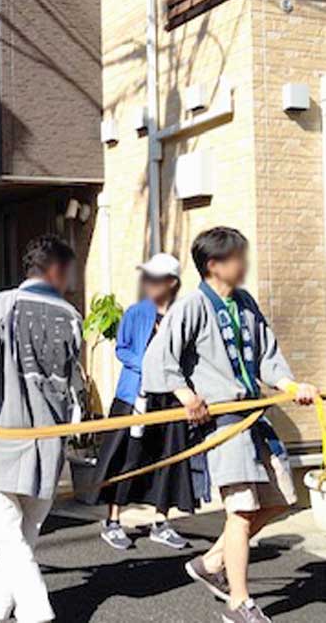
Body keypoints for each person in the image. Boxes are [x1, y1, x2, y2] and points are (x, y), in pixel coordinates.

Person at [142, 227, 317, 623]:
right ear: (214, 265)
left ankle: (210, 563)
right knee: (239, 512)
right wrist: (187, 396)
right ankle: (239, 602)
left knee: (277, 501)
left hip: (255, 418)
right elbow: (159, 358)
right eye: (238, 257)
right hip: (223, 423)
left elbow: (269, 357)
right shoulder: (190, 307)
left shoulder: (245, 304)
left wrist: (291, 385)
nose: (245, 264)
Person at [0, 235, 85, 623]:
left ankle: (35, 609)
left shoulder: (2, 305)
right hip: (51, 442)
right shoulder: (72, 318)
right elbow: (76, 383)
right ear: (54, 271)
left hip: (7, 436)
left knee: (5, 530)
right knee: (26, 529)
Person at [94, 253, 194, 551]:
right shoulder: (137, 312)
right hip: (133, 395)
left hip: (171, 398)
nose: (149, 282)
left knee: (168, 457)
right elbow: (122, 349)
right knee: (125, 455)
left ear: (172, 283)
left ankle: (160, 521)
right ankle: (112, 520)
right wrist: (147, 364)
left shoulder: (184, 315)